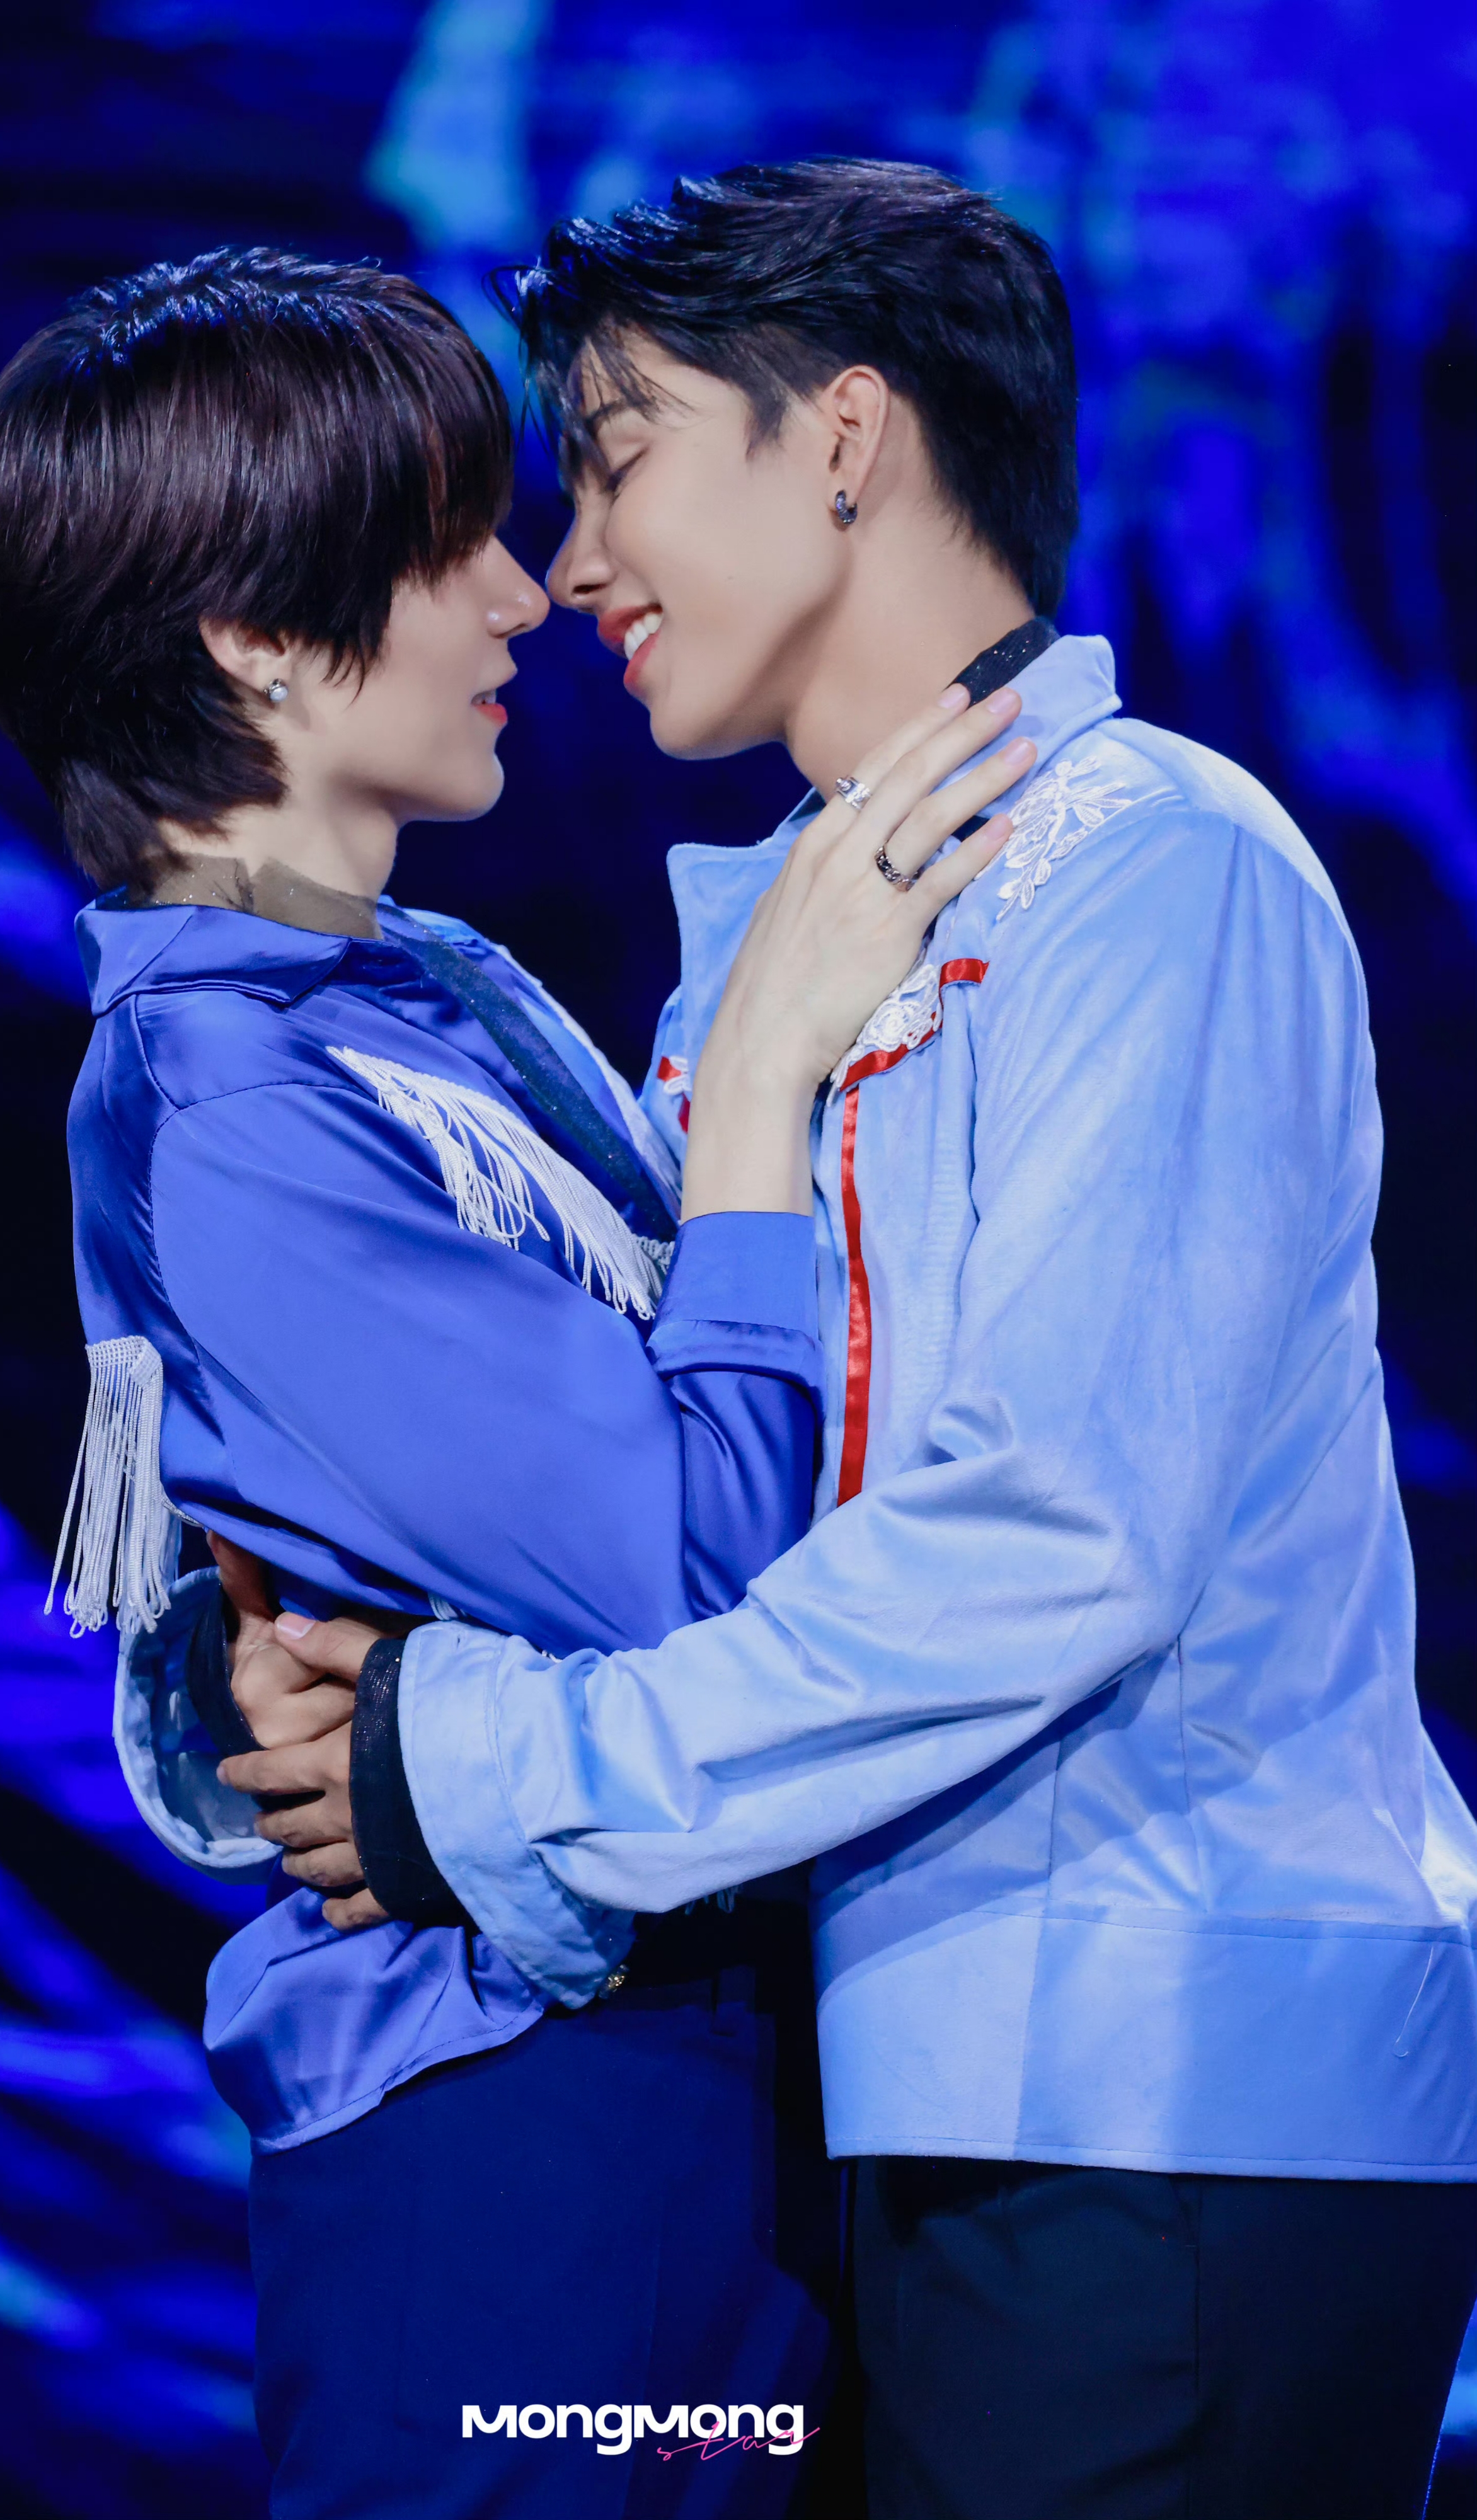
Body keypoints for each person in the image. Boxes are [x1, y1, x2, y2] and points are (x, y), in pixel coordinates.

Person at [224, 165, 1477, 2519]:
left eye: (613, 460)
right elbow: (671, 1504)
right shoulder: (770, 965)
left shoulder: (1153, 866)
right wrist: (324, 1677)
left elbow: (1056, 1535)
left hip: (1154, 2083)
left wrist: (494, 1773)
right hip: (909, 2072)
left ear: (842, 436)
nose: (569, 562)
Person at [0, 243, 1023, 2519]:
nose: (526, 595)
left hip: (695, 2065)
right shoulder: (229, 1107)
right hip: (522, 2125)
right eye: (447, 548)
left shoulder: (413, 993)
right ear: (254, 635)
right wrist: (754, 1095)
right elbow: (704, 1567)